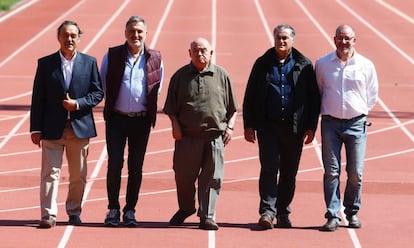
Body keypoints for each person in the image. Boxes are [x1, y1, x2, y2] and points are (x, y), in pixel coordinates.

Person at [242, 24, 321, 229]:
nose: (281, 41)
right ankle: (267, 211)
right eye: (278, 38)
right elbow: (250, 95)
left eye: (285, 38)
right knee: (268, 169)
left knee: (289, 172)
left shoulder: (304, 65)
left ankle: (283, 211)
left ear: (293, 40)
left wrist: (311, 126)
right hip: (268, 127)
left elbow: (313, 99)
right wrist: (249, 124)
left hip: (294, 129)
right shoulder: (262, 63)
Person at [30, 20, 104, 228]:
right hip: (52, 128)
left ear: (79, 38)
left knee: (78, 176)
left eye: (73, 35)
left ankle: (73, 212)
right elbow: (38, 98)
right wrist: (36, 128)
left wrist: (78, 104)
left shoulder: (89, 62)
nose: (69, 39)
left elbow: (98, 93)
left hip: (79, 128)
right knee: (50, 173)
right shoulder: (45, 64)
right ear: (58, 37)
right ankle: (48, 214)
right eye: (65, 35)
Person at [163, 37, 238, 231]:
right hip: (187, 137)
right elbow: (170, 107)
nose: (200, 53)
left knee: (212, 178)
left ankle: (207, 215)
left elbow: (233, 108)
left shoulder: (222, 75)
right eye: (195, 50)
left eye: (204, 50)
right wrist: (175, 125)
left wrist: (230, 127)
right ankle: (186, 208)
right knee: (183, 177)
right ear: (189, 53)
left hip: (214, 137)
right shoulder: (180, 76)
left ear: (211, 53)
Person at [100, 16, 164, 227]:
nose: (135, 35)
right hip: (116, 119)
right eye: (131, 31)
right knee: (115, 164)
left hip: (141, 122)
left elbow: (157, 87)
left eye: (139, 32)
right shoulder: (111, 56)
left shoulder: (155, 58)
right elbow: (103, 84)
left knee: (136, 167)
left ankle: (130, 210)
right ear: (125, 33)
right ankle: (113, 209)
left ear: (146, 34)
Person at [315, 24, 379, 232]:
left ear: (354, 40)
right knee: (331, 172)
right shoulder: (323, 64)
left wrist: (358, 110)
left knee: (355, 172)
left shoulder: (366, 65)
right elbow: (318, 90)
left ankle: (352, 212)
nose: (344, 42)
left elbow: (372, 93)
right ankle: (333, 214)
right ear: (334, 40)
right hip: (330, 124)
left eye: (348, 38)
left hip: (356, 123)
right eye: (340, 38)